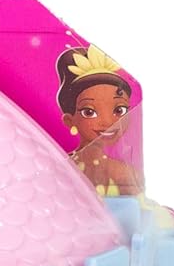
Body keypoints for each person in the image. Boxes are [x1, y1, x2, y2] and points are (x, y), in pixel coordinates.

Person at [56, 43, 143, 196]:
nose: (108, 122)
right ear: (69, 120)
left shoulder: (124, 174)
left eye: (119, 110)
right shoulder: (60, 168)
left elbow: (136, 206)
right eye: (89, 112)